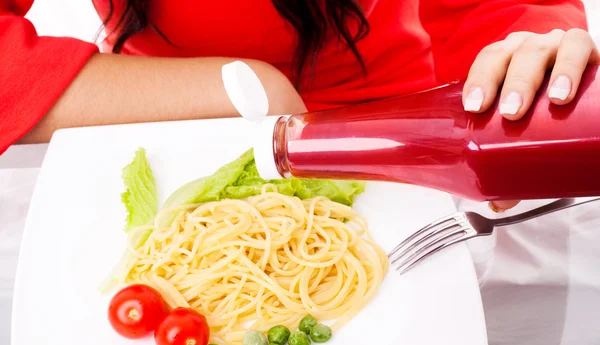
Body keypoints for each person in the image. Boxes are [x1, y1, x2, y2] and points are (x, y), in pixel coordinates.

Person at [0, 0, 597, 212]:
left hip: (405, 134)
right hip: (167, 127)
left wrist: (526, 49)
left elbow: (500, 10)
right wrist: (225, 88)